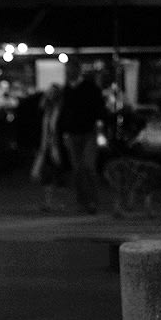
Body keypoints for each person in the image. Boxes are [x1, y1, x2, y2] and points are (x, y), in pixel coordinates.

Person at [60, 58, 106, 214]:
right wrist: (65, 133)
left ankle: (92, 201)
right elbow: (64, 113)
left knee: (88, 167)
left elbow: (99, 109)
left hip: (88, 133)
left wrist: (99, 129)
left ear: (77, 71)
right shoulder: (67, 90)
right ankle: (82, 201)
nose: (68, 73)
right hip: (73, 134)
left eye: (70, 70)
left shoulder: (90, 88)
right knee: (77, 169)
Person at [30, 84, 67, 212]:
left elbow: (61, 127)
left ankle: (61, 202)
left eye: (54, 93)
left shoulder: (62, 110)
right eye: (49, 93)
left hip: (58, 146)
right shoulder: (44, 110)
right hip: (45, 145)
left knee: (59, 173)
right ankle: (48, 202)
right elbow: (39, 128)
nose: (51, 96)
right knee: (47, 174)